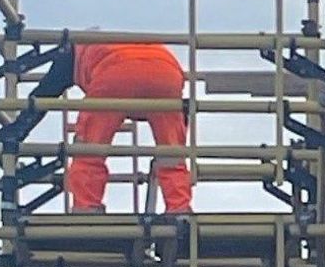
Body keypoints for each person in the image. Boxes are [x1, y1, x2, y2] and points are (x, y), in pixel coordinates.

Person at [14, 41, 192, 214]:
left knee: (89, 149)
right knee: (172, 152)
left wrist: (14, 136)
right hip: (166, 72)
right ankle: (179, 208)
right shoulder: (123, 41)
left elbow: (42, 96)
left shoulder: (73, 51)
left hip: (115, 72)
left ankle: (87, 209)